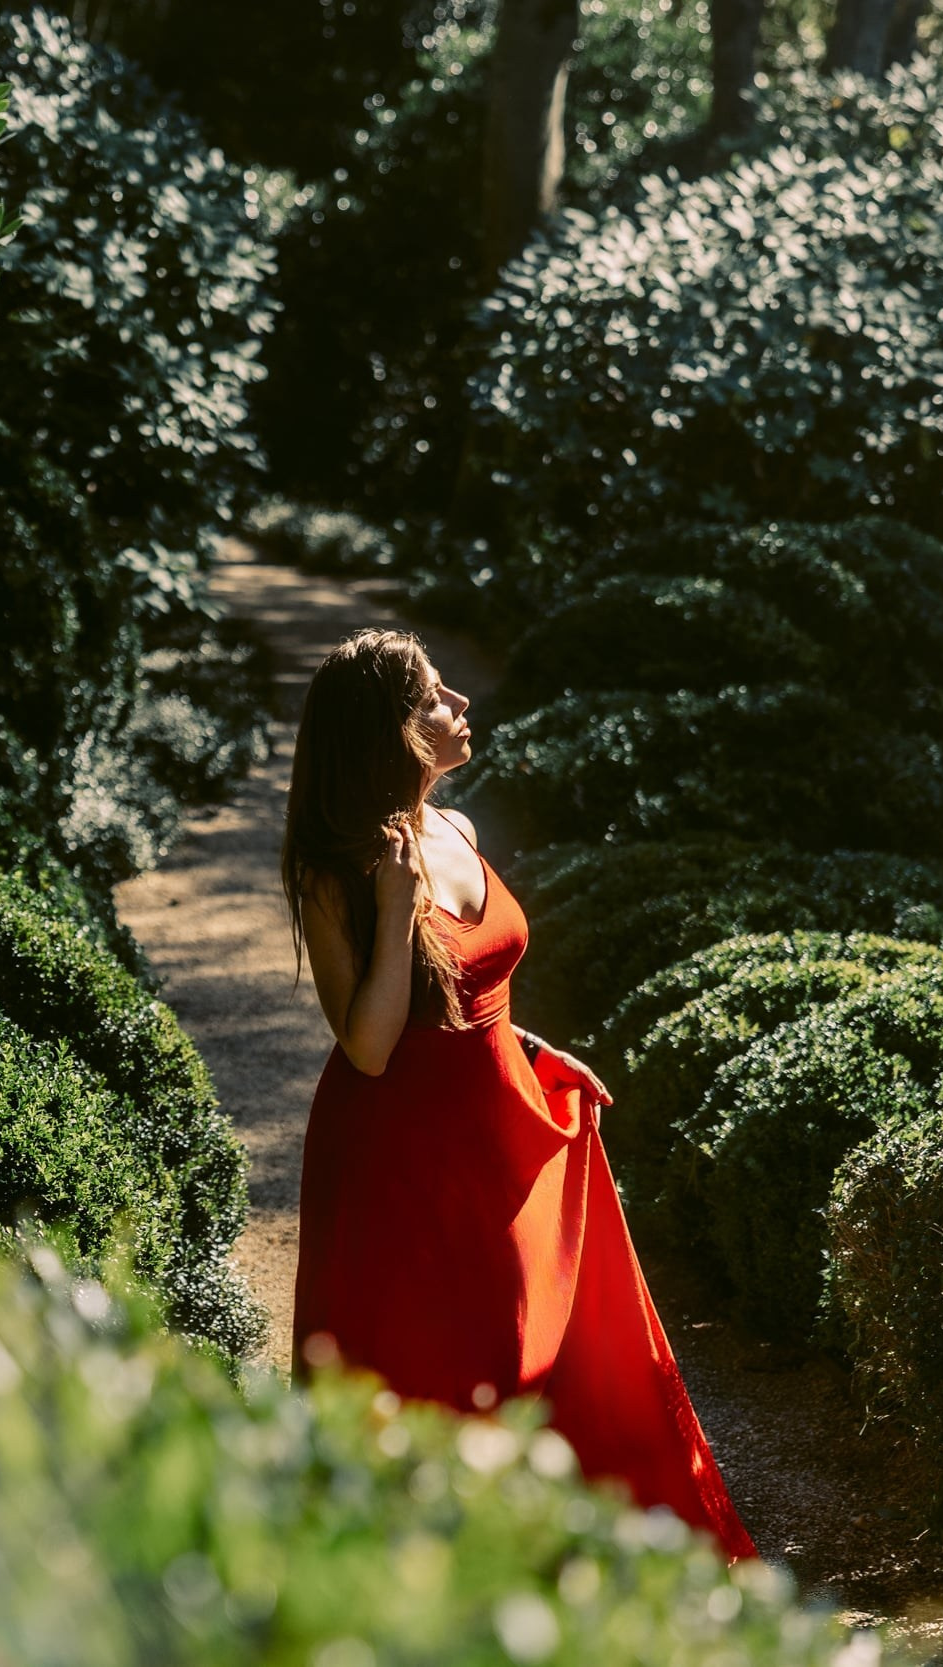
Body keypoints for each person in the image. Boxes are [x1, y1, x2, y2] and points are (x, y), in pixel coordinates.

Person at [282, 628, 755, 1561]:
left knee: (548, 1347)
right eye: (434, 697)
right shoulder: (332, 872)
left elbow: (474, 987)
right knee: (450, 1374)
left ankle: (566, 1581)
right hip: (398, 1159)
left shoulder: (455, 827)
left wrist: (531, 1050)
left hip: (496, 1127)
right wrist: (392, 905)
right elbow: (370, 1045)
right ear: (394, 733)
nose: (460, 702)